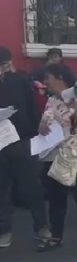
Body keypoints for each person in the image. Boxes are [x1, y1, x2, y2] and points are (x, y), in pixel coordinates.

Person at [38, 64, 77, 252]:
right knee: (56, 198)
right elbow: (46, 121)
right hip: (54, 154)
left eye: (48, 77)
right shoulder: (52, 100)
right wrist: (42, 127)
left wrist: (75, 108)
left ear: (60, 78)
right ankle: (56, 237)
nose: (45, 82)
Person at [0, 46, 50, 250]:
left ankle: (42, 227)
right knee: (2, 189)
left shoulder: (20, 81)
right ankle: (4, 230)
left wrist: (36, 134)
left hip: (21, 140)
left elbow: (32, 107)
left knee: (31, 187)